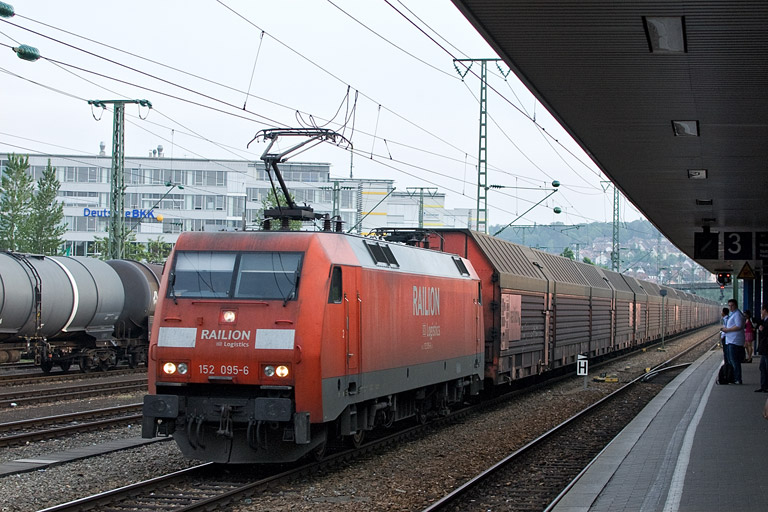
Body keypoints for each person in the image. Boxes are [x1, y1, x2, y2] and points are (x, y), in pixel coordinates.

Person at [720, 298, 746, 384]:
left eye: (732, 305)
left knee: (734, 361)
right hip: (731, 340)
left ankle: (737, 378)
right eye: (729, 306)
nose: (730, 307)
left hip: (734, 341)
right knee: (732, 361)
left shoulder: (737, 314)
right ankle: (733, 377)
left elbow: (739, 326)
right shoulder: (733, 314)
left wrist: (727, 330)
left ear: (736, 305)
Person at [756, 305, 768, 392]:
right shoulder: (764, 320)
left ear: (765, 310)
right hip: (764, 348)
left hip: (767, 348)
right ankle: (763, 386)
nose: (761, 312)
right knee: (762, 367)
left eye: (762, 310)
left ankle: (765, 386)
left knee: (766, 367)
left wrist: (762, 329)